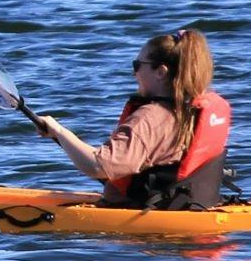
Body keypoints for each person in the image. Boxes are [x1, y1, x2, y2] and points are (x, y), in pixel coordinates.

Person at [37, 28, 232, 209]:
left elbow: (98, 166)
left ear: (161, 72)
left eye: (137, 65)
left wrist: (60, 132)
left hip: (141, 218)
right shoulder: (191, 111)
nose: (134, 73)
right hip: (189, 207)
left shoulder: (150, 118)